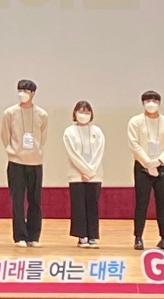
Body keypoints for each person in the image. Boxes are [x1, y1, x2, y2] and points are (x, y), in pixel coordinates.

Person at [128, 90, 164, 251]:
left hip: (162, 166)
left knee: (162, 203)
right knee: (141, 202)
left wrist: (159, 161)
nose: (151, 104)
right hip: (142, 166)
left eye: (155, 101)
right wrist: (148, 162)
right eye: (148, 101)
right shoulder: (135, 121)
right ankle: (138, 237)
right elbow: (134, 144)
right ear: (143, 103)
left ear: (159, 103)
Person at [1, 78, 48, 247]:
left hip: (35, 162)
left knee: (35, 200)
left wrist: (34, 150)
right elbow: (5, 136)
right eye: (20, 90)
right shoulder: (10, 113)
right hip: (16, 162)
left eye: (26, 91)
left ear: (33, 93)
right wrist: (13, 151)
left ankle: (34, 236)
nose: (22, 94)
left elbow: (42, 138)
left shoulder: (42, 114)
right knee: (18, 201)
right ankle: (20, 236)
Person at [64, 100, 105, 249]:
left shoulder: (97, 131)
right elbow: (73, 154)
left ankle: (93, 236)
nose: (84, 115)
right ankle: (82, 236)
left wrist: (90, 171)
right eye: (81, 112)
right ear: (75, 113)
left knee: (93, 205)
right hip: (76, 175)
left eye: (87, 112)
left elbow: (99, 152)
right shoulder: (69, 132)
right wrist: (84, 171)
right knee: (79, 206)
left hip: (94, 175)